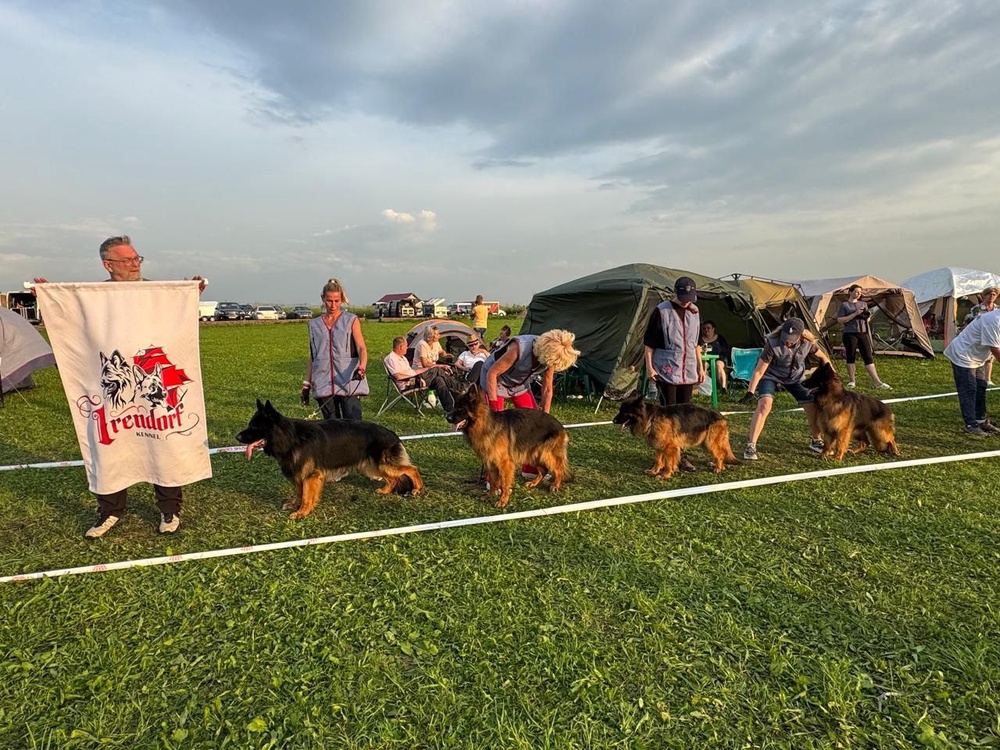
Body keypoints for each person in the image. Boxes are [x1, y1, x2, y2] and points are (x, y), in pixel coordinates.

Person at [35, 235, 206, 537]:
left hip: (150, 385)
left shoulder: (156, 295)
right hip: (114, 390)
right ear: (108, 264)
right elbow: (72, 325)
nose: (135, 264)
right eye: (127, 260)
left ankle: (169, 509)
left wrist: (187, 295)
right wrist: (51, 298)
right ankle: (110, 511)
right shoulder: (95, 298)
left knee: (162, 440)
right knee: (110, 446)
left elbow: (175, 323)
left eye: (137, 258)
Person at [480, 328, 579, 477]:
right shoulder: (518, 348)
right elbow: (492, 373)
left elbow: (547, 389)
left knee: (533, 424)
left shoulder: (551, 356)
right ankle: (493, 477)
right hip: (495, 380)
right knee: (496, 431)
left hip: (519, 384)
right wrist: (494, 407)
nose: (550, 367)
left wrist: (544, 418)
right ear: (545, 355)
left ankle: (531, 468)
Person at [740, 318, 833, 461]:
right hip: (771, 376)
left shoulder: (808, 343)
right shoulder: (772, 344)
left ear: (801, 335)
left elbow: (824, 358)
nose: (787, 342)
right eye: (785, 338)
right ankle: (751, 445)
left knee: (812, 404)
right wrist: (750, 392)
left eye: (791, 339)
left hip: (796, 378)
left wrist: (832, 377)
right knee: (764, 405)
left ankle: (816, 440)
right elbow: (759, 372)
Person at [302, 278, 368, 421]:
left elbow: (361, 347)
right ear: (323, 299)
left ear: (342, 300)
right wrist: (306, 384)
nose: (333, 305)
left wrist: (362, 367)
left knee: (353, 424)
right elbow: (313, 356)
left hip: (348, 379)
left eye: (337, 301)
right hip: (322, 381)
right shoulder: (314, 325)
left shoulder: (351, 320)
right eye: (329, 300)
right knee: (332, 428)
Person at [643, 276, 706, 407]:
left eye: (689, 298)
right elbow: (649, 344)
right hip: (667, 369)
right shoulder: (661, 311)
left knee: (685, 410)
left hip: (688, 368)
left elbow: (696, 344)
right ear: (674, 292)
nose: (686, 302)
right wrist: (650, 368)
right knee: (668, 409)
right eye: (683, 298)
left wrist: (700, 368)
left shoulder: (695, 312)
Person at [943, 308, 1000, 436]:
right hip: (963, 354)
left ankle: (981, 420)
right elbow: (995, 349)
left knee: (981, 386)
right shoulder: (994, 320)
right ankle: (970, 424)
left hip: (978, 356)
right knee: (969, 389)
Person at [384, 336, 460, 414]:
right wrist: (417, 378)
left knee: (439, 380)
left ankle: (450, 409)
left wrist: (428, 369)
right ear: (401, 347)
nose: (407, 347)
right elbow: (398, 376)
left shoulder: (402, 358)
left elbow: (413, 371)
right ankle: (459, 388)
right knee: (436, 370)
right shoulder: (392, 358)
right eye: (406, 346)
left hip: (415, 378)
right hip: (410, 384)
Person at [835, 284, 891, 390]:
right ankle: (852, 381)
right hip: (850, 333)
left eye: (860, 292)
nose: (858, 294)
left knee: (868, 356)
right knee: (851, 356)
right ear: (850, 292)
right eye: (856, 292)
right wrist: (855, 314)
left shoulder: (863, 304)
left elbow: (867, 319)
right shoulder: (845, 305)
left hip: (863, 332)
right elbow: (840, 319)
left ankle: (877, 381)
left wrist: (866, 316)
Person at [962, 286, 999, 384]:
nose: (991, 296)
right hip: (978, 337)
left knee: (990, 358)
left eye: (994, 295)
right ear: (984, 296)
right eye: (989, 294)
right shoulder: (976, 309)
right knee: (978, 358)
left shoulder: (997, 309)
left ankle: (988, 379)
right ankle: (975, 378)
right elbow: (970, 322)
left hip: (992, 336)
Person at [699, 320, 730, 393]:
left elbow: (725, 350)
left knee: (718, 365)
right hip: (705, 358)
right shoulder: (700, 339)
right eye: (704, 328)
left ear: (713, 329)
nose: (706, 330)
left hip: (719, 358)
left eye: (708, 328)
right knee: (704, 366)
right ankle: (706, 389)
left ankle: (723, 387)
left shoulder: (720, 338)